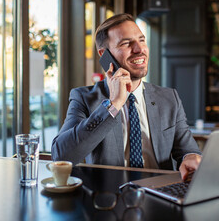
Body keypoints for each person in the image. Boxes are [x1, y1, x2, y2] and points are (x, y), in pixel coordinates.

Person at [51, 13, 201, 180]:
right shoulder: (84, 98)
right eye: (126, 43)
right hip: (108, 198)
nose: (139, 49)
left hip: (161, 195)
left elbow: (188, 150)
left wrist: (190, 157)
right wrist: (113, 104)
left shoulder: (169, 98)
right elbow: (61, 155)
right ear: (104, 55)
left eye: (142, 40)